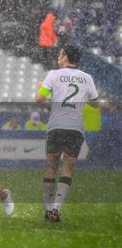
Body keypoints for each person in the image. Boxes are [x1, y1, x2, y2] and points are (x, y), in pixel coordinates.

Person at [36, 45, 99, 222]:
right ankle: (56, 209)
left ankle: (48, 211)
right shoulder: (87, 78)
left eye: (60, 53)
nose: (58, 56)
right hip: (75, 128)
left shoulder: (53, 75)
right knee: (67, 168)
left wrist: (40, 87)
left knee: (51, 167)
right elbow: (95, 103)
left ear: (65, 57)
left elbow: (39, 99)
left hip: (56, 126)